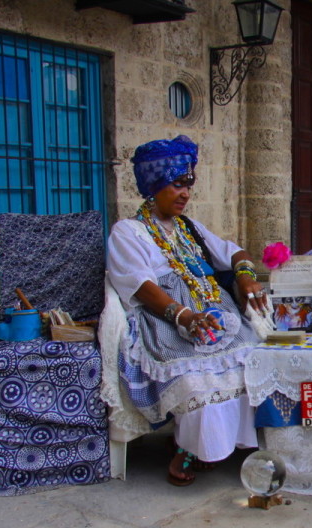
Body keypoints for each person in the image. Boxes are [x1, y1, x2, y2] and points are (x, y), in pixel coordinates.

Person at [107, 135, 268, 486]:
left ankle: (232, 442)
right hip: (167, 318)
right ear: (154, 186)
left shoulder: (189, 228)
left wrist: (244, 278)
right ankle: (189, 446)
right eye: (176, 185)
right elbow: (139, 285)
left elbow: (235, 252)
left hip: (217, 312)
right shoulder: (129, 232)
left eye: (188, 186)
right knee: (196, 379)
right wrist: (185, 317)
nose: (185, 194)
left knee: (255, 359)